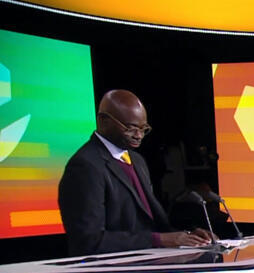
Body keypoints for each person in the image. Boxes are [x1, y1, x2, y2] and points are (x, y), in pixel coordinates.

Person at [58, 89, 213, 256]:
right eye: (130, 128)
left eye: (143, 129)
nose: (139, 136)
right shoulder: (85, 166)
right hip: (113, 269)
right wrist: (159, 240)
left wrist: (188, 235)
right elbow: (88, 240)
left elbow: (150, 222)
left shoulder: (137, 160)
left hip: (150, 261)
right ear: (103, 121)